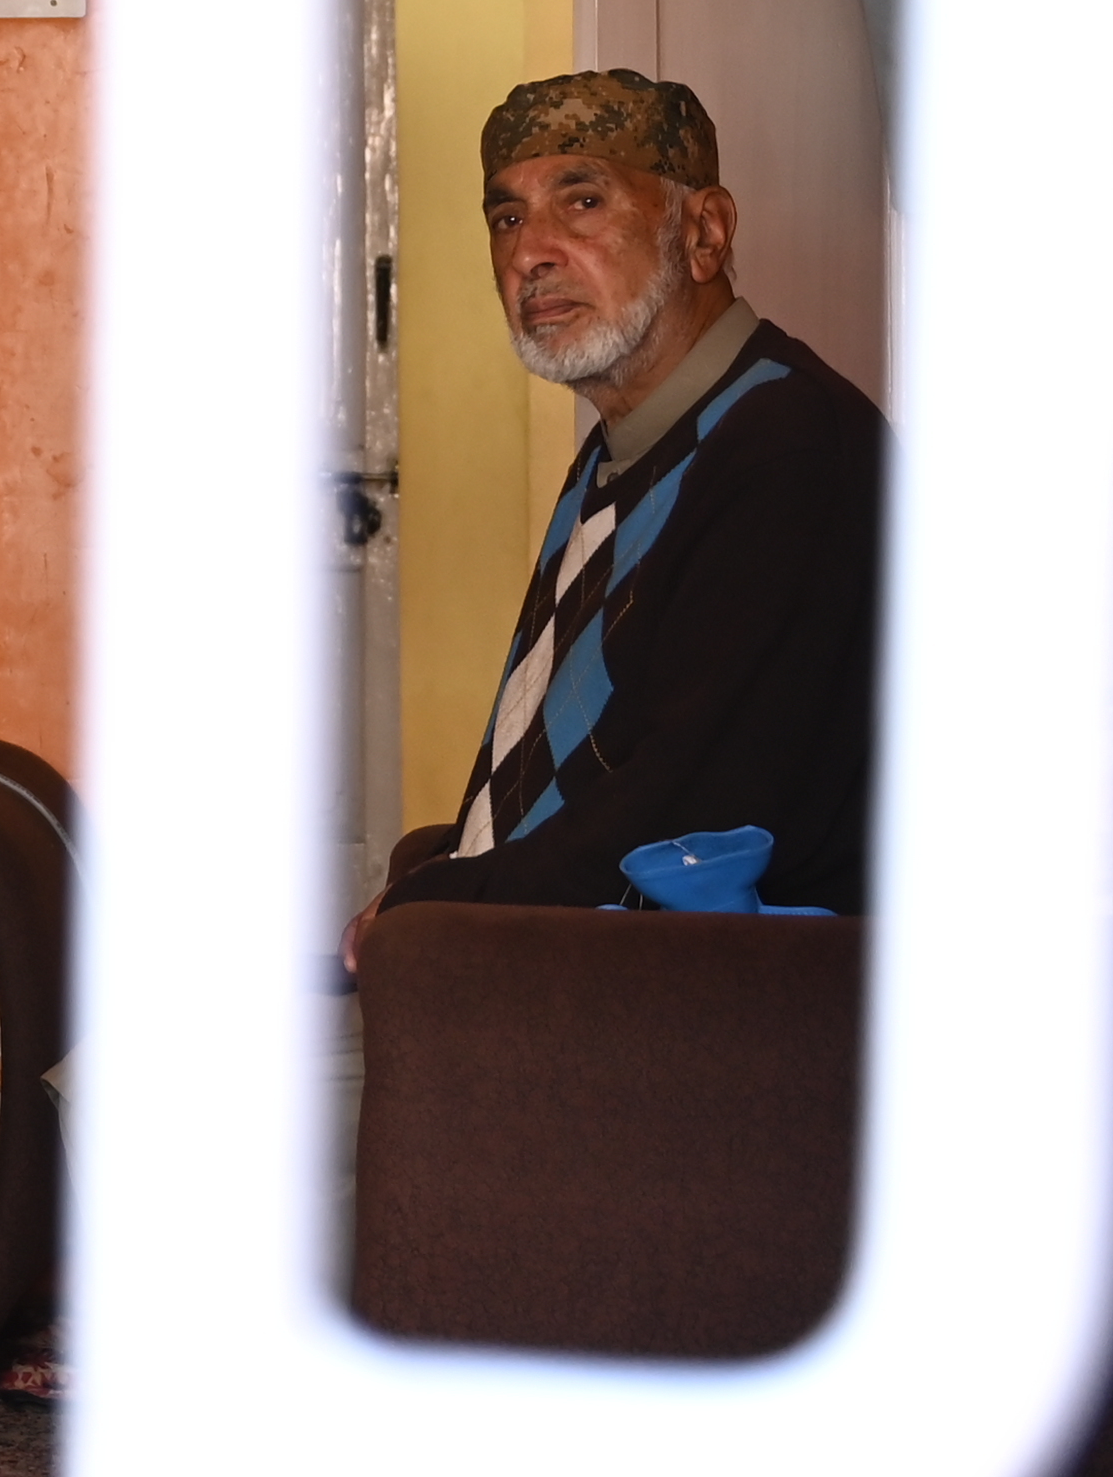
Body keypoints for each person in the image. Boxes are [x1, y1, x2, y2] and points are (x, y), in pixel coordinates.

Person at [352, 70, 886, 956]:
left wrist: (442, 905)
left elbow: (691, 813)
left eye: (584, 202)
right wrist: (446, 881)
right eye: (507, 218)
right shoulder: (631, 444)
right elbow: (580, 771)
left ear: (704, 233)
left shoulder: (790, 448)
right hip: (556, 970)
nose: (531, 253)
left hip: (702, 1005)